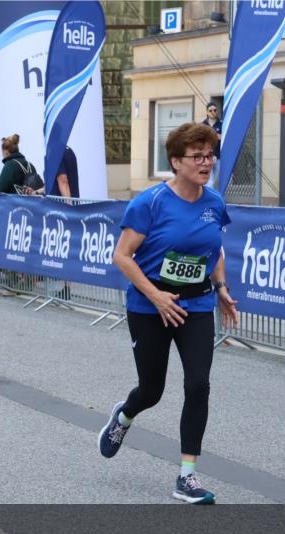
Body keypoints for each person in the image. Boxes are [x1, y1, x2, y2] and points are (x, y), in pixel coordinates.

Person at [98, 122, 238, 504]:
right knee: (152, 389)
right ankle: (124, 416)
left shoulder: (214, 202)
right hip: (149, 307)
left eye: (210, 155)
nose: (206, 162)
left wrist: (222, 289)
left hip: (196, 305)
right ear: (176, 162)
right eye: (197, 156)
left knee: (198, 384)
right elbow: (122, 257)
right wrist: (157, 296)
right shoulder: (150, 202)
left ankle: (187, 477)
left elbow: (215, 250)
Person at [200, 102, 222, 183]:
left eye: (215, 110)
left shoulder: (221, 124)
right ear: (207, 112)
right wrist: (216, 136)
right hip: (206, 157)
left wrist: (210, 135)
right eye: (210, 110)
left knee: (216, 181)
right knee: (210, 181)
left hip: (218, 157)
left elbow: (223, 138)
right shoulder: (202, 125)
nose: (213, 112)